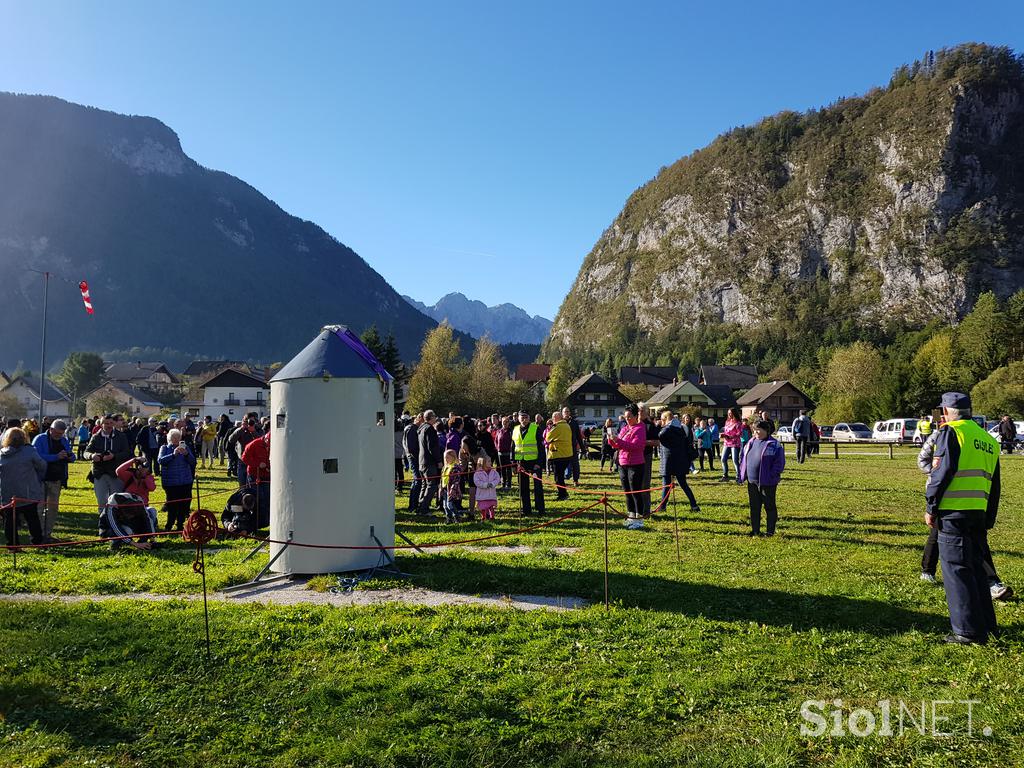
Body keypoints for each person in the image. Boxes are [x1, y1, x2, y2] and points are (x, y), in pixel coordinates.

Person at [925, 392, 1001, 644]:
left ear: (946, 412)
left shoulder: (951, 433)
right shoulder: (987, 439)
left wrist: (931, 506)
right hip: (978, 513)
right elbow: (995, 485)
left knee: (957, 571)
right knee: (978, 570)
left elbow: (942, 473)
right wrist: (988, 517)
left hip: (953, 512)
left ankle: (967, 631)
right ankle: (988, 625)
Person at [0, 427, 47, 547]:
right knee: (32, 518)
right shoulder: (29, 451)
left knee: (10, 520)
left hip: (8, 494)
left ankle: (12, 545)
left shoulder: (2, 454)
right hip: (28, 492)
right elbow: (42, 465)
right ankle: (37, 542)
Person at [739, 419, 785, 537]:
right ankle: (755, 530)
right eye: (754, 430)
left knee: (769, 507)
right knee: (754, 507)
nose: (756, 433)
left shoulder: (774, 444)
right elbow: (743, 457)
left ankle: (770, 531)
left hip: (767, 482)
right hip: (752, 481)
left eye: (758, 430)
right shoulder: (751, 442)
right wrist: (742, 473)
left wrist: (771, 475)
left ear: (766, 430)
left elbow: (779, 463)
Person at [32, 419, 75, 543]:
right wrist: (55, 457)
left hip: (56, 479)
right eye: (56, 434)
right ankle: (38, 535)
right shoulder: (39, 439)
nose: (58, 436)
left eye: (61, 434)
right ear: (50, 430)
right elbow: (37, 457)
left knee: (53, 508)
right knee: (39, 508)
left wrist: (69, 456)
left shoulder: (64, 440)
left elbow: (71, 455)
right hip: (41, 479)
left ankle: (48, 534)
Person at [84, 414, 132, 516]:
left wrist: (114, 456)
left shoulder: (121, 436)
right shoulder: (96, 437)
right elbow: (86, 452)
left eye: (111, 423)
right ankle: (103, 524)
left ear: (114, 423)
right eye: (106, 423)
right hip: (99, 473)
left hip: (115, 473)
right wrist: (92, 456)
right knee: (102, 501)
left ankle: (116, 522)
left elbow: (127, 453)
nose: (109, 425)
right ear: (101, 424)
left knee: (116, 501)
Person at [609, 405, 647, 529]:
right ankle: (631, 516)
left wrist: (618, 442)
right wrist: (611, 440)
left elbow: (636, 446)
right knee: (627, 492)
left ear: (636, 416)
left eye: (630, 417)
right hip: (623, 463)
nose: (627, 419)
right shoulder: (625, 428)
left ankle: (639, 518)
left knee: (635, 492)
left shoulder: (640, 428)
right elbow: (618, 445)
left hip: (635, 464)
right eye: (626, 417)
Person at [658, 410, 700, 512]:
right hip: (680, 460)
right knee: (683, 484)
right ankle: (694, 505)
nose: (661, 422)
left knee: (666, 484)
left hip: (669, 460)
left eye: (662, 420)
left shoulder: (669, 429)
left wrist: (662, 426)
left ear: (666, 419)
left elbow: (660, 435)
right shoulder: (680, 428)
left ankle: (662, 507)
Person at [157, 428, 195, 531]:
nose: (176, 439)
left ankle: (180, 524)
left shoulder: (185, 447)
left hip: (185, 481)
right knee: (172, 505)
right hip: (171, 483)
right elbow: (161, 461)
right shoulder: (164, 448)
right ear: (169, 438)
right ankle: (169, 525)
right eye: (174, 437)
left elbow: (193, 462)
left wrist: (186, 454)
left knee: (184, 505)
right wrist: (173, 455)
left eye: (178, 437)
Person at [512, 410, 545, 515]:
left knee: (538, 487)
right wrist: (513, 463)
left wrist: (539, 463)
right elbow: (513, 447)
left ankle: (540, 509)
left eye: (526, 417)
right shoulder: (515, 429)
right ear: (518, 418)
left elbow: (541, 448)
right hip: (521, 463)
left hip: (534, 462)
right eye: (522, 417)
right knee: (523, 488)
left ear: (529, 418)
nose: (524, 419)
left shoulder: (536, 429)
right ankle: (527, 510)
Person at [416, 410, 442, 516]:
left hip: (421, 460)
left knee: (424, 484)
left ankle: (420, 505)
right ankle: (424, 508)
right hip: (429, 461)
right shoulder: (430, 429)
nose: (436, 418)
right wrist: (439, 460)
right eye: (434, 416)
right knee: (432, 485)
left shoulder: (421, 428)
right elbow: (433, 447)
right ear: (431, 418)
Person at [545, 411, 573, 501]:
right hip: (567, 454)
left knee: (558, 477)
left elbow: (548, 438)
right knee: (560, 476)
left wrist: (550, 430)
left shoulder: (557, 426)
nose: (552, 419)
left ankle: (563, 494)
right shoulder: (567, 425)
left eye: (553, 418)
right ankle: (563, 493)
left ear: (557, 418)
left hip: (558, 454)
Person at [638, 404, 660, 518]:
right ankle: (636, 510)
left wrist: (643, 442)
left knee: (644, 484)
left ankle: (646, 510)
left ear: (646, 412)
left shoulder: (650, 426)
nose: (639, 413)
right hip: (633, 457)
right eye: (638, 411)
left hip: (646, 456)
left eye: (641, 411)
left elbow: (656, 442)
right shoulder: (633, 424)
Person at [403, 413, 423, 511]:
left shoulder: (412, 428)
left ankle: (414, 504)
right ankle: (413, 505)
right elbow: (411, 447)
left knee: (417, 480)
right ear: (419, 419)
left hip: (413, 457)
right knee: (417, 480)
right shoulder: (412, 428)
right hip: (413, 457)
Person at [562, 407, 584, 487]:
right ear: (562, 413)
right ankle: (563, 480)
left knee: (575, 464)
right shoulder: (560, 423)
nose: (566, 413)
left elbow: (578, 436)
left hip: (573, 447)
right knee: (563, 464)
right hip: (563, 448)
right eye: (565, 412)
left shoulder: (574, 423)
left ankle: (576, 480)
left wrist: (582, 447)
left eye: (568, 411)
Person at [473, 456, 500, 521]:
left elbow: (497, 479)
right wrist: (485, 485)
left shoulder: (493, 472)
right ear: (483, 463)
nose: (491, 462)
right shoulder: (478, 473)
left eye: (490, 461)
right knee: (483, 507)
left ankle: (492, 517)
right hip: (482, 494)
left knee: (491, 506)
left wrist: (493, 484)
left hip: (491, 494)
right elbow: (477, 482)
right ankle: (483, 517)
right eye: (489, 461)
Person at [720, 409, 743, 483]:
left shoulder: (738, 423)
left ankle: (739, 476)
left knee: (735, 460)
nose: (729, 414)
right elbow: (726, 431)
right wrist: (723, 435)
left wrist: (730, 436)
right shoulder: (727, 422)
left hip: (735, 443)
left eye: (731, 413)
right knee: (723, 459)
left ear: (734, 414)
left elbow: (739, 433)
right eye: (728, 413)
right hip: (727, 443)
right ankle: (725, 475)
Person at [440, 449, 462, 524]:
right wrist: (440, 488)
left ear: (453, 457)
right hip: (445, 488)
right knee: (445, 505)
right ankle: (449, 518)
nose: (446, 459)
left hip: (452, 489)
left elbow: (456, 480)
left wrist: (453, 489)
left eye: (448, 457)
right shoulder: (445, 467)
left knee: (450, 505)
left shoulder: (455, 467)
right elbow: (442, 478)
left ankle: (457, 517)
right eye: (445, 457)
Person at [495, 416, 514, 491]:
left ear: (508, 423)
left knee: (508, 469)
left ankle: (508, 484)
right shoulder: (499, 431)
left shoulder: (510, 431)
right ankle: (503, 484)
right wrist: (497, 449)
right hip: (500, 453)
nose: (505, 423)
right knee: (502, 469)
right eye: (503, 422)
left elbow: (513, 442)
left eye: (506, 422)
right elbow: (496, 440)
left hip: (508, 453)